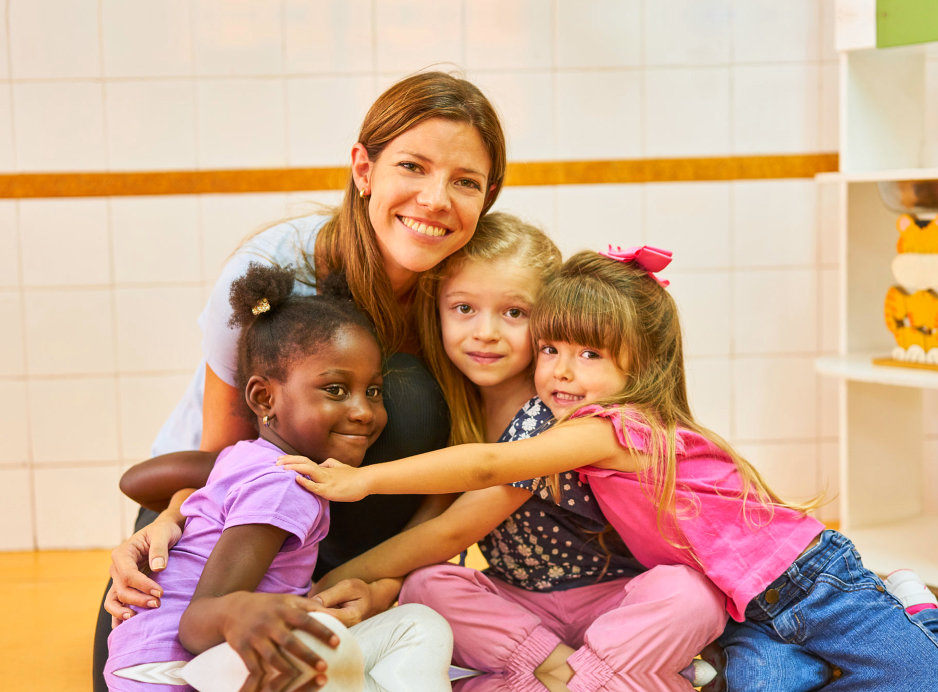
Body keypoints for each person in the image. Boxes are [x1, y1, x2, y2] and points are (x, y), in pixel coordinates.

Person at [281, 246, 938, 691]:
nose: (563, 370)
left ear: (637, 367)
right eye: (552, 350)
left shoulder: (610, 428)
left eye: (590, 355)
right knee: (758, 686)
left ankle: (918, 612)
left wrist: (360, 479)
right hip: (750, 610)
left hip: (810, 580)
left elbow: (488, 466)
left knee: (927, 678)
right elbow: (459, 508)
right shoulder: (568, 420)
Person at [93, 69, 506, 690]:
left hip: (349, 546)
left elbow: (471, 459)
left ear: (488, 197)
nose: (436, 199)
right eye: (413, 167)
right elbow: (226, 461)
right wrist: (167, 520)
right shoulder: (272, 269)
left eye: (465, 182)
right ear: (363, 170)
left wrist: (386, 581)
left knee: (414, 399)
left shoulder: (474, 295)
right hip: (212, 541)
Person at [292, 227, 726, 692]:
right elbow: (434, 525)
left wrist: (328, 579)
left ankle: (575, 674)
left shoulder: (555, 412)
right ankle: (572, 665)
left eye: (515, 313)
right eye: (463, 308)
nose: (486, 333)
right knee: (426, 585)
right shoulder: (459, 410)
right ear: (436, 310)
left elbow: (454, 530)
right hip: (521, 605)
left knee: (691, 594)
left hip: (612, 599)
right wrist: (378, 589)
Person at [106, 263, 453, 692]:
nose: (364, 411)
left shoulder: (244, 461)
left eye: (374, 391)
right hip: (187, 667)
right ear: (264, 397)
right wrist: (247, 612)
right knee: (418, 626)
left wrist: (177, 512)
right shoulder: (284, 487)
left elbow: (136, 480)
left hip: (142, 663)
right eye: (336, 390)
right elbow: (198, 624)